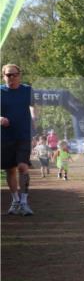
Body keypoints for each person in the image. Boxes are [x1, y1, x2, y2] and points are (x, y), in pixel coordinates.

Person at [1, 63, 36, 215]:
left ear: (19, 75)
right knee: (10, 170)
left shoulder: (27, 90)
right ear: (4, 76)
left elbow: (33, 106)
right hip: (5, 136)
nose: (12, 77)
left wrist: (34, 117)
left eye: (15, 74)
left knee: (22, 167)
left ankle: (24, 202)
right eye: (9, 75)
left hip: (23, 134)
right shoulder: (0, 92)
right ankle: (15, 200)